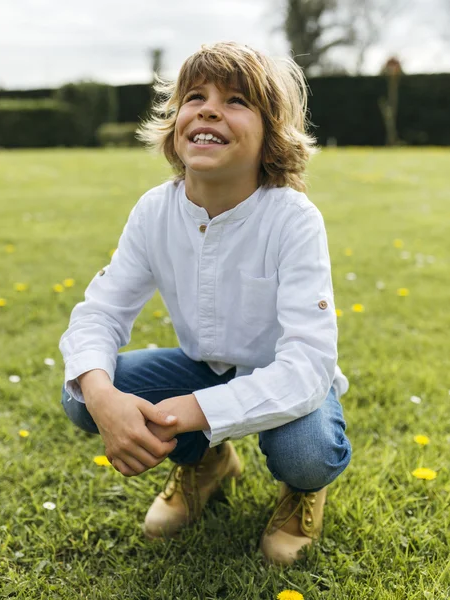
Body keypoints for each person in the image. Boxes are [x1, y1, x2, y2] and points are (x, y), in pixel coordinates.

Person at [59, 41, 351, 566]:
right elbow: (100, 312)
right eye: (196, 96)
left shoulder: (293, 218)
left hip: (283, 380)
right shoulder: (154, 211)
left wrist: (193, 411)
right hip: (202, 370)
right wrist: (103, 395)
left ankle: (302, 492)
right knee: (80, 396)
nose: (210, 108)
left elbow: (308, 365)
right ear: (176, 123)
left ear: (272, 137)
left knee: (305, 453)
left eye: (236, 100)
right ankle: (208, 464)